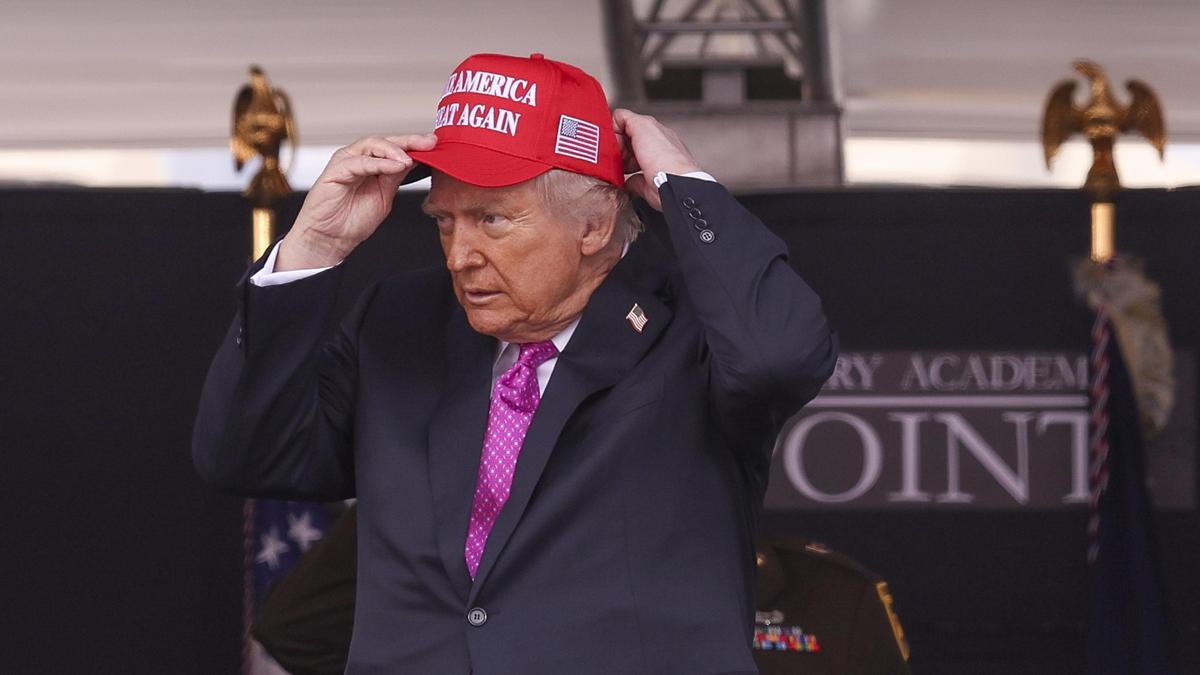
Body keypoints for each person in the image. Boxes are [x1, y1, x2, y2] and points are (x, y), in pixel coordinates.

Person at [194, 51, 837, 674]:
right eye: (444, 221)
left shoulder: (692, 332)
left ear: (594, 223)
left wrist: (688, 188)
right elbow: (244, 452)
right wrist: (314, 246)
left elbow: (781, 359)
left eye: (493, 219)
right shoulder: (398, 324)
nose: (459, 255)